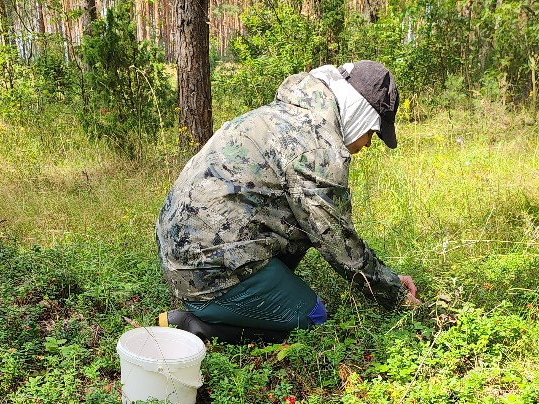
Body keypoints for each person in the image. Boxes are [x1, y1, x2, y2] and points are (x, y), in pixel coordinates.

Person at [156, 60, 420, 344]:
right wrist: (395, 294)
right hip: (207, 269)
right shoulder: (318, 148)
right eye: (372, 132)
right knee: (314, 317)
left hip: (181, 251)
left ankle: (233, 300)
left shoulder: (290, 114)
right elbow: (339, 244)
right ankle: (195, 326)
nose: (368, 144)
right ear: (359, 114)